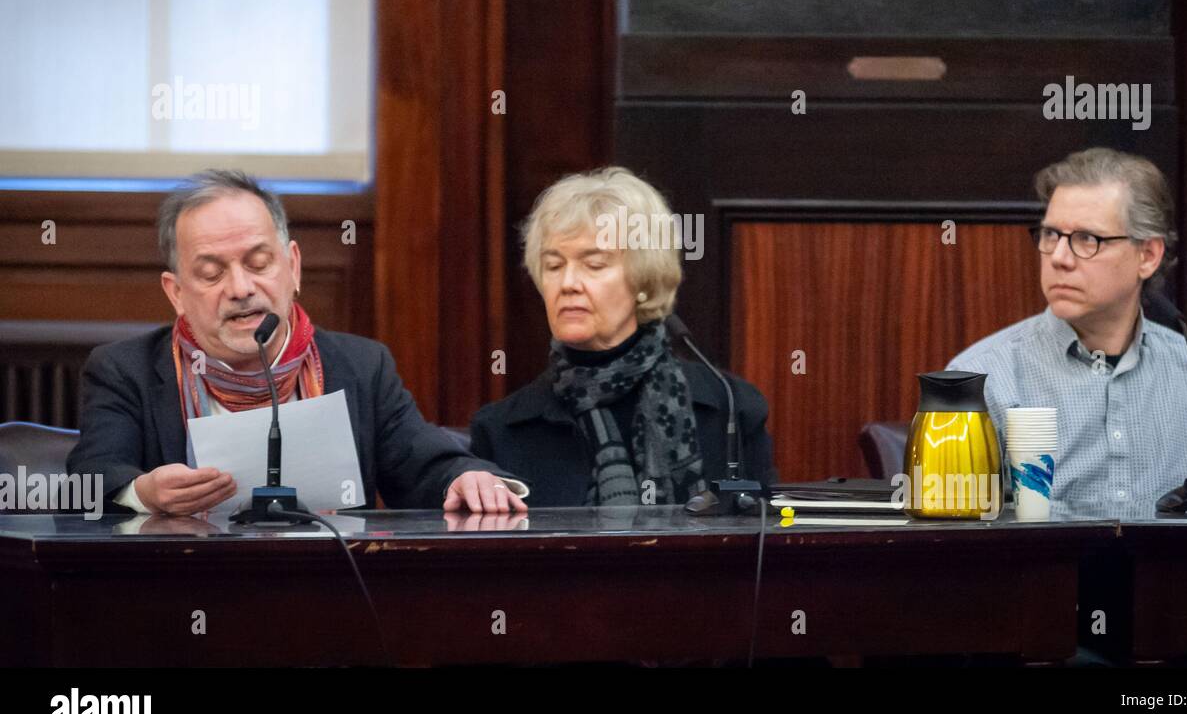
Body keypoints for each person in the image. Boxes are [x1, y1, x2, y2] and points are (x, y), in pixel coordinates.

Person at [67, 169, 527, 516]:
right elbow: (92, 474)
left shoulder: (361, 366)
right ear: (177, 293)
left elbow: (423, 463)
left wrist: (468, 479)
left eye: (259, 262)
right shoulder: (125, 370)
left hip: (331, 603)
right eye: (212, 273)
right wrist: (142, 493)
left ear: (293, 267)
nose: (241, 287)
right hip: (181, 600)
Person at [948, 148, 1187, 519]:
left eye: (1087, 239)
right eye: (1051, 234)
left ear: (1147, 256)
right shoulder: (981, 379)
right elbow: (954, 551)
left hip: (1171, 578)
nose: (1059, 258)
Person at [470, 167, 776, 507]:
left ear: (644, 281)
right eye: (554, 265)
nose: (568, 283)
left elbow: (764, 546)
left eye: (594, 265)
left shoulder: (730, 410)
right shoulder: (501, 431)